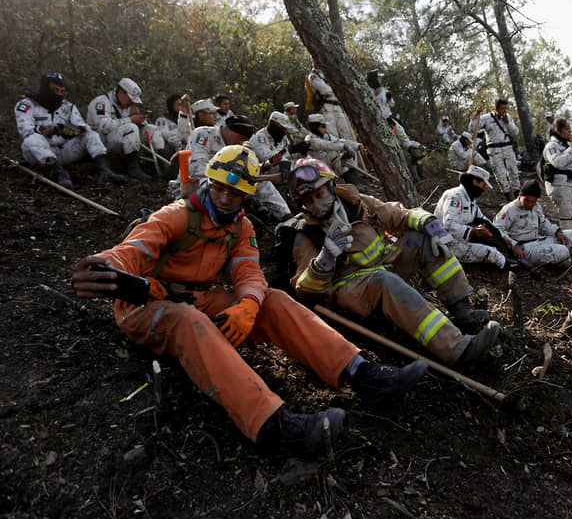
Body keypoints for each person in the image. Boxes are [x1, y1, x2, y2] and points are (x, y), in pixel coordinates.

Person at [70, 146, 428, 456]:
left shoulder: (241, 228)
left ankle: (362, 373)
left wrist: (249, 305)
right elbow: (132, 250)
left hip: (198, 299)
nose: (225, 198)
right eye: (221, 189)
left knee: (273, 299)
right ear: (210, 183)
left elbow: (248, 274)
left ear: (245, 197)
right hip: (146, 304)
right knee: (187, 320)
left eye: (235, 194)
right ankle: (274, 425)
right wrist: (108, 265)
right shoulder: (176, 215)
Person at [289, 158, 500, 368]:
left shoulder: (357, 203)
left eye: (319, 194)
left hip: (384, 267)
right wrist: (324, 260)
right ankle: (458, 350)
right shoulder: (306, 234)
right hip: (352, 290)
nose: (316, 203)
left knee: (422, 238)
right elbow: (304, 289)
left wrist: (428, 221)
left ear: (331, 186)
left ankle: (462, 310)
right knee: (384, 279)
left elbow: (397, 214)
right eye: (308, 200)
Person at [177, 115, 291, 223]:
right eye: (241, 139)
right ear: (229, 131)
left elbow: (250, 171)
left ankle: (285, 215)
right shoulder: (203, 134)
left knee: (257, 180)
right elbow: (197, 168)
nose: (241, 143)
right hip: (197, 183)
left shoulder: (238, 146)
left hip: (229, 182)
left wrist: (262, 167)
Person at [14, 72, 112, 188]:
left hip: (64, 151)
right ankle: (59, 173)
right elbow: (26, 130)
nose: (59, 94)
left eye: (62, 91)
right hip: (39, 154)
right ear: (45, 88)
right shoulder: (26, 105)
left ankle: (104, 170)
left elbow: (82, 126)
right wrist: (51, 131)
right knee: (32, 139)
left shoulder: (68, 106)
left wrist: (74, 131)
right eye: (55, 90)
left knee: (91, 135)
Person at [494, 180, 572, 268]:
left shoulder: (536, 207)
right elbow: (496, 228)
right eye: (527, 200)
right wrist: (513, 245)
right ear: (520, 196)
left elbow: (543, 223)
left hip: (538, 241)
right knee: (562, 251)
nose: (530, 204)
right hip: (523, 248)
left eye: (533, 201)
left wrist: (557, 232)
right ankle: (569, 262)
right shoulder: (509, 209)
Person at [434, 165, 518, 270]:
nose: (484, 189)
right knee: (492, 253)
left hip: (462, 238)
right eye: (483, 185)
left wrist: (503, 237)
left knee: (496, 241)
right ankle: (507, 266)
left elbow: (483, 219)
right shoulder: (454, 196)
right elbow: (449, 224)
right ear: (475, 182)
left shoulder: (470, 200)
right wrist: (473, 231)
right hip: (448, 243)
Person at [86, 77, 155, 182]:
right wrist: (130, 120)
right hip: (101, 142)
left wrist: (139, 119)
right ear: (121, 92)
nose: (131, 102)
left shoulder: (126, 105)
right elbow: (103, 127)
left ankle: (156, 164)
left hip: (119, 139)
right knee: (131, 127)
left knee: (150, 129)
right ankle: (133, 168)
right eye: (130, 99)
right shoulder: (102, 102)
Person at [539, 118, 572, 233]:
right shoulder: (551, 146)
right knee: (568, 216)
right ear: (558, 130)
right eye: (567, 129)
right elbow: (558, 162)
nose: (570, 132)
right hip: (559, 185)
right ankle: (569, 243)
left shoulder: (567, 145)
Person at [469, 98, 521, 200]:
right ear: (496, 108)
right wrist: (475, 115)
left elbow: (515, 132)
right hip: (494, 150)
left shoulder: (508, 117)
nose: (504, 111)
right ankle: (507, 196)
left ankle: (517, 194)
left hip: (507, 147)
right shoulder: (486, 118)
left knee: (513, 172)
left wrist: (508, 123)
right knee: (500, 174)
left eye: (506, 108)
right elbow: (472, 128)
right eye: (502, 108)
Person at [305, 113, 365, 190]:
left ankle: (354, 183)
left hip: (329, 169)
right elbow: (327, 145)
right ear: (316, 127)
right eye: (323, 126)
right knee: (333, 153)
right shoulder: (310, 139)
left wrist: (357, 146)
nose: (325, 128)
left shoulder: (326, 136)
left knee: (340, 155)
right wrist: (344, 147)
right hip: (318, 173)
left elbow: (340, 141)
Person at [307, 58, 355, 141]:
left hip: (338, 107)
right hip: (327, 108)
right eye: (314, 59)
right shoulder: (313, 76)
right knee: (333, 135)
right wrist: (337, 89)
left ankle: (355, 153)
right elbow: (325, 90)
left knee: (347, 134)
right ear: (312, 60)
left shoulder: (329, 74)